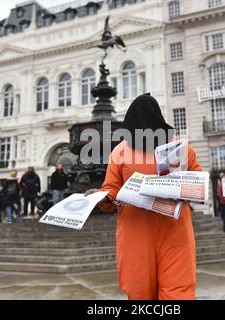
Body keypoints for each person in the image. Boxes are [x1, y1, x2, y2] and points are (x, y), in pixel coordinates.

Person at [85, 94, 202, 300]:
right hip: (162, 230)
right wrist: (100, 197)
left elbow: (197, 182)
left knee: (157, 291)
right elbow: (111, 190)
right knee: (170, 291)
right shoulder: (179, 147)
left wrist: (105, 196)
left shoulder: (121, 152)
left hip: (152, 230)